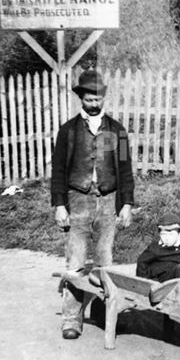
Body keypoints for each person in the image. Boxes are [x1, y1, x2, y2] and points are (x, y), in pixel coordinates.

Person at [50, 69, 135, 340]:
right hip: (78, 199)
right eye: (89, 99)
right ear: (81, 99)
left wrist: (127, 204)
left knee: (105, 262)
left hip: (109, 200)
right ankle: (71, 320)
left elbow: (125, 168)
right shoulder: (69, 131)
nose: (94, 103)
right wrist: (60, 204)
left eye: (98, 98)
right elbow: (59, 171)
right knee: (75, 260)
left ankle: (103, 314)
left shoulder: (117, 130)